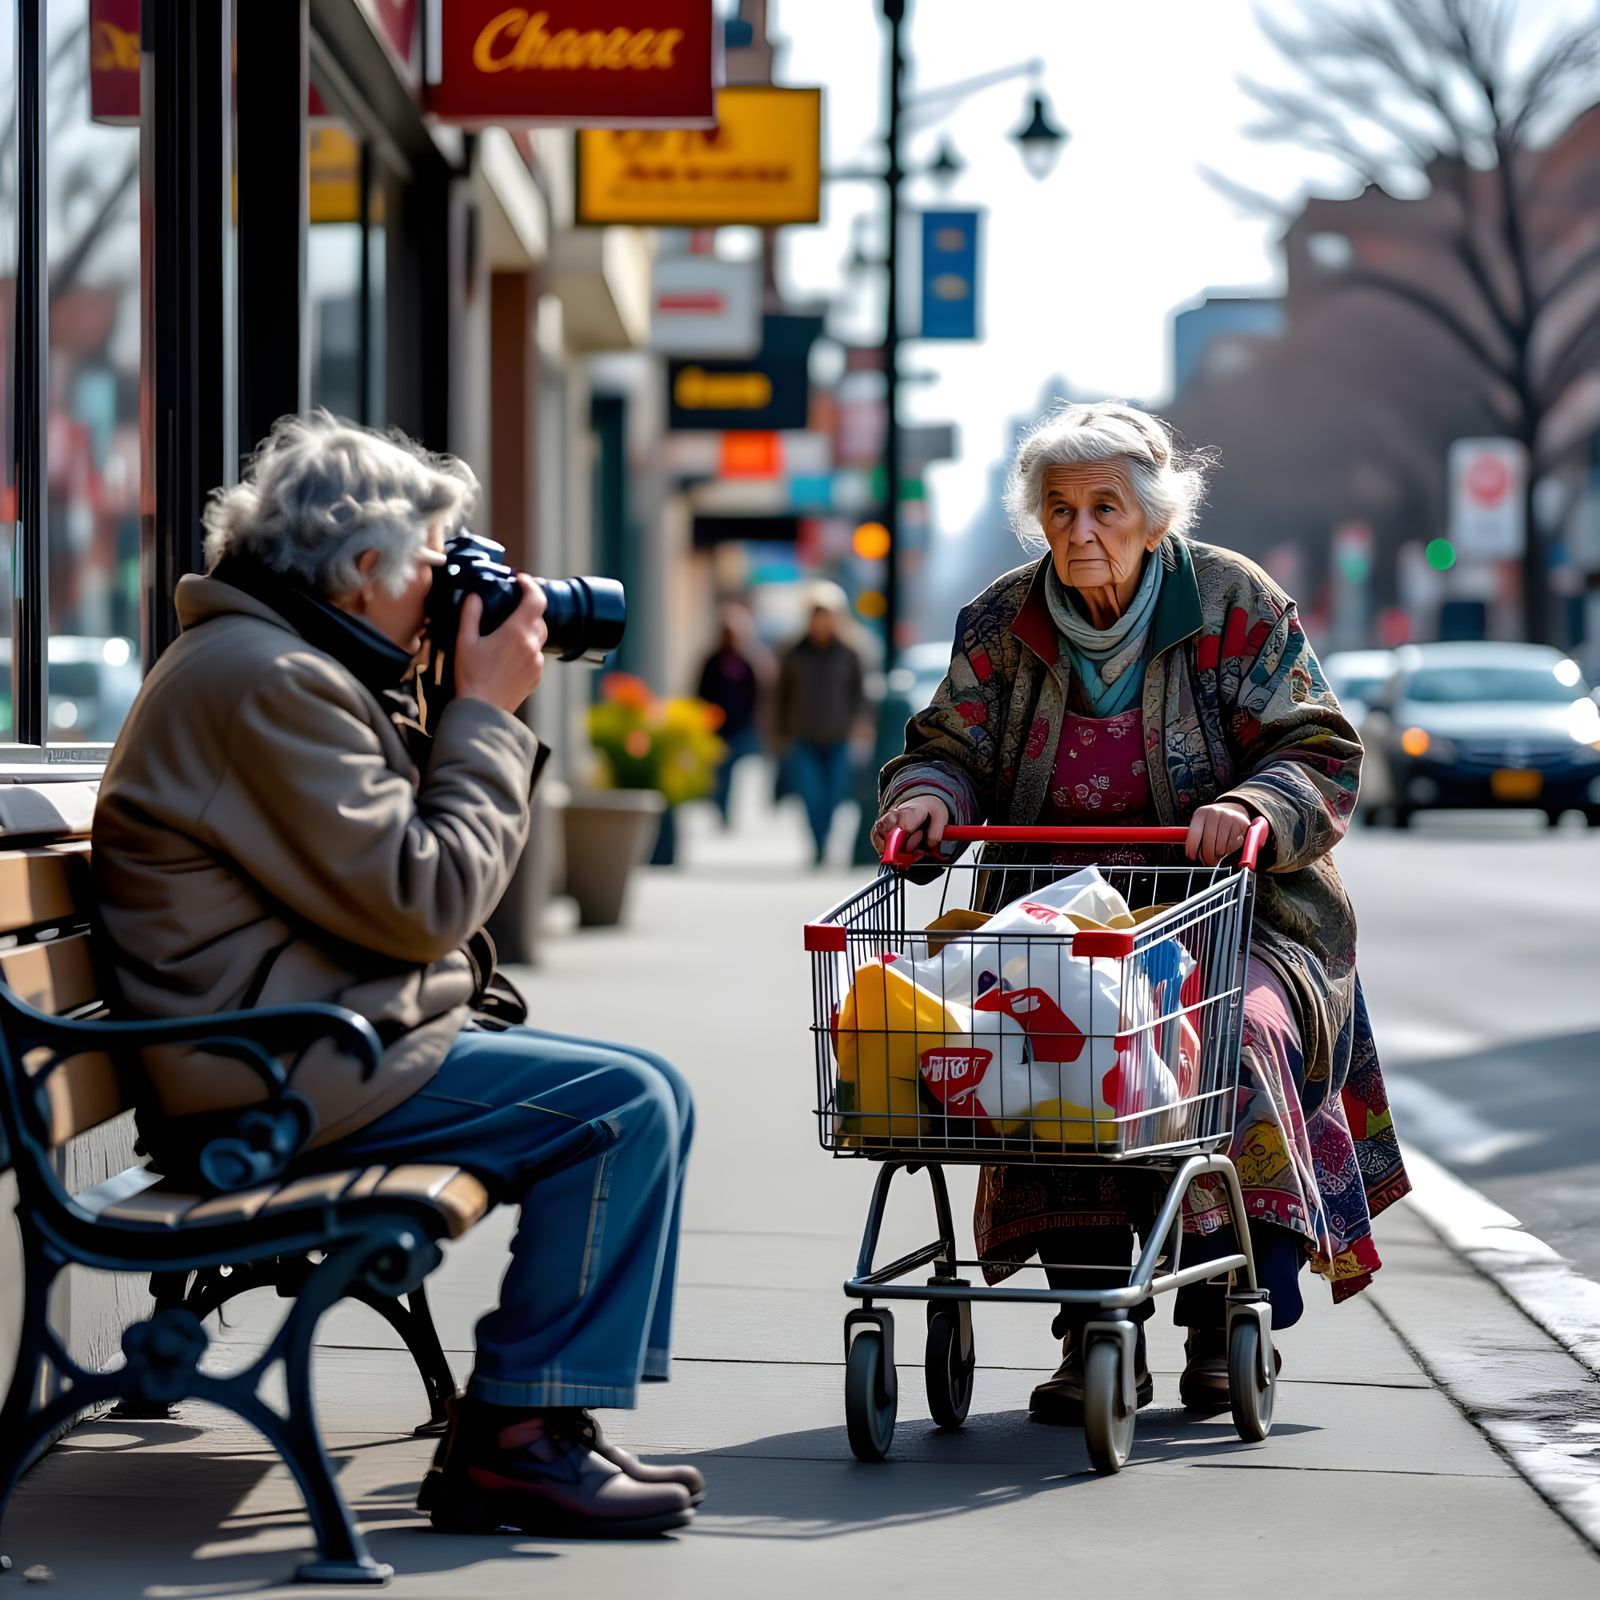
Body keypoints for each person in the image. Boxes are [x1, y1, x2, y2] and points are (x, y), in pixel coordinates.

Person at [91, 412, 702, 1539]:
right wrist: (481, 711)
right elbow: (428, 896)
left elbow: (396, 887)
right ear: (362, 568)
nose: (445, 585)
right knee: (622, 1109)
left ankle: (538, 1420)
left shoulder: (285, 663)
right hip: (272, 1072)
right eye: (432, 560)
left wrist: (440, 699)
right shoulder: (266, 680)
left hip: (301, 1038)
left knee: (647, 1085)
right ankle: (519, 1439)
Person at [871, 400, 1409, 1420]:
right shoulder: (999, 619)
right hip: (1054, 918)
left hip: (1231, 913)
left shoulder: (1233, 601)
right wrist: (929, 795)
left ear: (1152, 517)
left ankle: (1220, 1310)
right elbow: (947, 740)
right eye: (1061, 509)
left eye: (1104, 508)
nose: (1080, 531)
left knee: (1232, 1035)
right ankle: (1090, 1325)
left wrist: (1251, 802)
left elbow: (1320, 748)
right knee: (1042, 1051)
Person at [776, 600, 866, 866]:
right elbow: (781, 695)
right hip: (803, 735)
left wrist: (860, 724)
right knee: (811, 793)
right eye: (818, 618)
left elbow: (859, 694)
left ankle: (826, 837)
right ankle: (817, 843)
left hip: (838, 735)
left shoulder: (848, 653)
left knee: (835, 793)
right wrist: (780, 732)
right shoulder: (794, 653)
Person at [696, 603, 770, 826]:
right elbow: (701, 692)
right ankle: (720, 808)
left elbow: (758, 694)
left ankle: (727, 809)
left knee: (735, 772)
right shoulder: (712, 661)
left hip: (740, 727)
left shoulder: (749, 662)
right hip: (716, 727)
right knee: (720, 773)